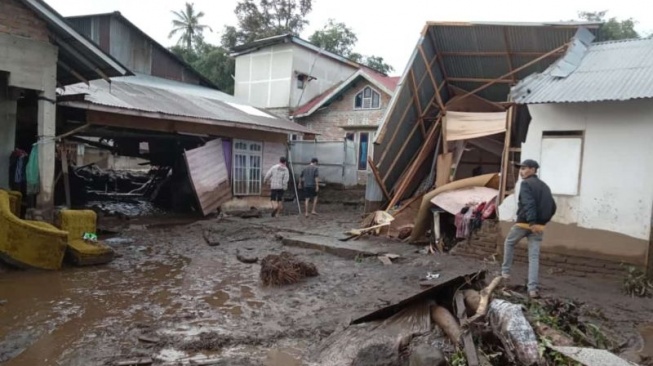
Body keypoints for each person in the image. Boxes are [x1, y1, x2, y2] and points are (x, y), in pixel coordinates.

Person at [501, 159, 556, 299]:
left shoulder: (526, 184)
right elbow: (553, 206)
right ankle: (532, 289)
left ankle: (505, 274)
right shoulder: (544, 186)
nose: (521, 171)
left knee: (509, 243)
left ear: (533, 170)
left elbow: (528, 203)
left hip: (524, 224)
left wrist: (532, 222)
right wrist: (542, 223)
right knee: (534, 257)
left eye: (524, 168)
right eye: (520, 169)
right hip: (538, 227)